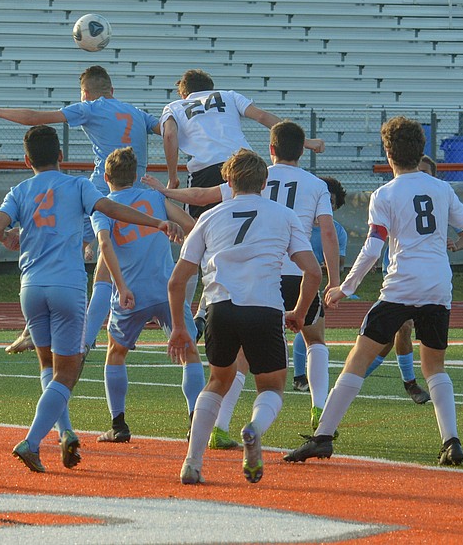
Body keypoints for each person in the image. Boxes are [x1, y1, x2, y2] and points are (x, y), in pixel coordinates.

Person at [283, 116, 463, 466]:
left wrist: (345, 288)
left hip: (401, 287)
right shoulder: (441, 189)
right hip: (438, 287)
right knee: (435, 367)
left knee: (357, 361)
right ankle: (451, 441)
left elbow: (374, 249)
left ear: (388, 153)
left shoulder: (385, 194)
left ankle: (323, 437)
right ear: (421, 151)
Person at [0, 125, 183, 473]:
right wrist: (155, 221)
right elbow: (112, 209)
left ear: (26, 160)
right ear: (61, 156)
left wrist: (8, 238)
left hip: (30, 287)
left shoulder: (20, 190)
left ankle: (65, 433)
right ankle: (31, 441)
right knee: (70, 370)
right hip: (66, 286)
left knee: (49, 366)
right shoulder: (77, 185)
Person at [143, 120, 339, 448]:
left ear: (271, 149)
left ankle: (219, 426)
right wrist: (332, 281)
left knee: (237, 363)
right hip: (294, 271)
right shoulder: (313, 184)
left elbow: (202, 195)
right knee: (314, 338)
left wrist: (165, 191)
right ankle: (320, 408)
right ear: (301, 149)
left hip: (244, 283)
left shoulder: (246, 176)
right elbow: (328, 233)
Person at [0, 65, 161, 355]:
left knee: (65, 244)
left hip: (103, 188)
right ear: (112, 89)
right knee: (112, 265)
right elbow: (169, 129)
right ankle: (146, 317)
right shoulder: (136, 111)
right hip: (138, 191)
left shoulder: (92, 108)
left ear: (85, 94)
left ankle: (54, 331)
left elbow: (35, 119)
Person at [168, 149, 322, 484]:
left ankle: (192, 462)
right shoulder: (283, 216)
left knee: (217, 381)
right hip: (265, 307)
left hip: (220, 308)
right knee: (271, 385)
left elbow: (177, 280)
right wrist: (297, 310)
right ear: (265, 182)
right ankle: (253, 429)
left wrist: (180, 327)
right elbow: (312, 272)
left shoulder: (210, 216)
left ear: (227, 180)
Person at [159, 69, 325, 341]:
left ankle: (192, 317)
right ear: (210, 87)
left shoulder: (175, 106)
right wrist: (304, 142)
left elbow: (168, 136)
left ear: (184, 92)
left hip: (205, 173)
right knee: (247, 237)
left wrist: (173, 176)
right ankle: (229, 304)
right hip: (243, 166)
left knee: (198, 247)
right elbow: (263, 117)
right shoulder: (227, 95)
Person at [90, 146, 204, 443]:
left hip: (132, 292)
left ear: (106, 177)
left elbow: (104, 247)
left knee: (115, 353)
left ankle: (119, 425)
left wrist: (121, 285)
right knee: (190, 351)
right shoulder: (154, 197)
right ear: (138, 176)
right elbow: (192, 227)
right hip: (167, 289)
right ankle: (195, 420)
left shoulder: (103, 207)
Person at [365, 155, 463, 405]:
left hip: (431, 277)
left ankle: (354, 378)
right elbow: (377, 234)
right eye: (418, 170)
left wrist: (456, 245)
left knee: (390, 337)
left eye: (426, 172)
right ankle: (410, 383)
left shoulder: (440, 197)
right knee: (401, 328)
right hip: (398, 271)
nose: (420, 176)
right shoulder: (393, 194)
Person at [292, 176, 348, 393]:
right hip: (292, 274)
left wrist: (332, 276)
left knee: (306, 327)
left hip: (311, 279)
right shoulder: (299, 220)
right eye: (327, 201)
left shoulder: (337, 230)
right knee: (309, 331)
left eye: (333, 203)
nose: (328, 206)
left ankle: (301, 377)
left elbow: (338, 261)